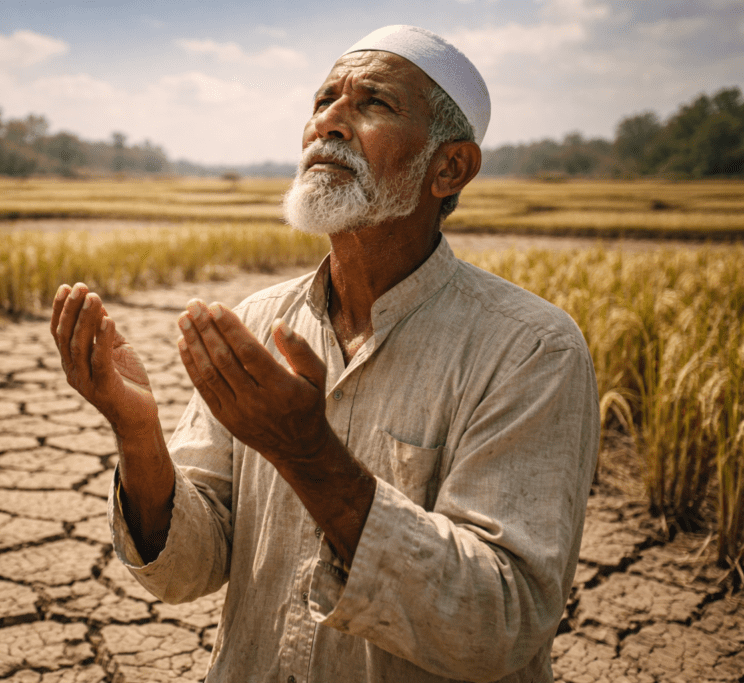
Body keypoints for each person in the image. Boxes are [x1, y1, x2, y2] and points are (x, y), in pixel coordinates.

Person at [50, 25, 599, 683]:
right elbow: (186, 570)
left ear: (448, 166)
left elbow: (497, 626)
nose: (328, 124)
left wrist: (308, 453)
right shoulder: (260, 322)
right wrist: (137, 430)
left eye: (373, 104)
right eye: (322, 101)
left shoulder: (530, 349)